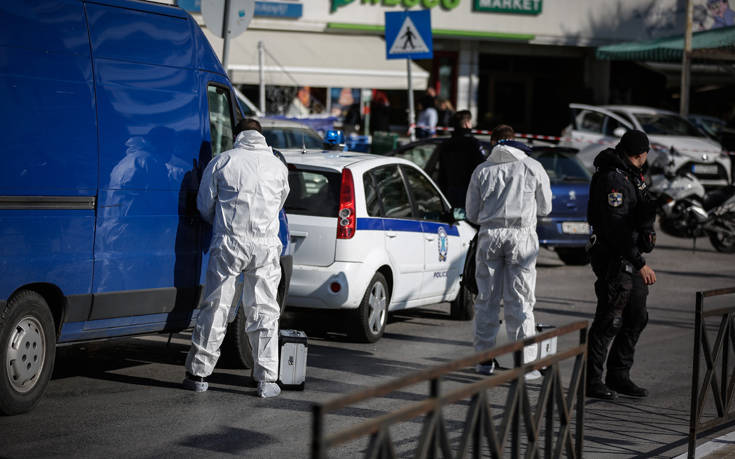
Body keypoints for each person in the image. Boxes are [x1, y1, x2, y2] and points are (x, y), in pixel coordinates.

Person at [184, 118, 290, 398]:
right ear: (261, 136)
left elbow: (205, 205)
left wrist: (222, 225)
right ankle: (267, 380)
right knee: (264, 309)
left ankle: (198, 374)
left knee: (216, 305)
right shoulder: (278, 166)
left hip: (229, 242)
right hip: (266, 245)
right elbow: (280, 204)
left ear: (237, 135)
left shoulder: (222, 161)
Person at [466, 124, 552, 378]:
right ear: (514, 140)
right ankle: (526, 364)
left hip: (490, 235)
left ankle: (484, 361)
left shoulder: (482, 169)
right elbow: (545, 208)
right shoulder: (532, 166)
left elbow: (471, 213)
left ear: (493, 142)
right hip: (522, 236)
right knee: (521, 300)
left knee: (486, 300)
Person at [585, 129, 657, 400]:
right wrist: (640, 263)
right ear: (640, 153)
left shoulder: (632, 174)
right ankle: (592, 380)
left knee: (637, 316)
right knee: (609, 320)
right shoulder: (613, 178)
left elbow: (638, 213)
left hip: (631, 255)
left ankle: (619, 375)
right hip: (615, 257)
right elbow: (616, 227)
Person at [435, 110, 486, 209]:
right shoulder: (473, 144)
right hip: (470, 189)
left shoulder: (446, 144)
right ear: (467, 124)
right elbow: (482, 167)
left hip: (450, 189)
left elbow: (442, 171)